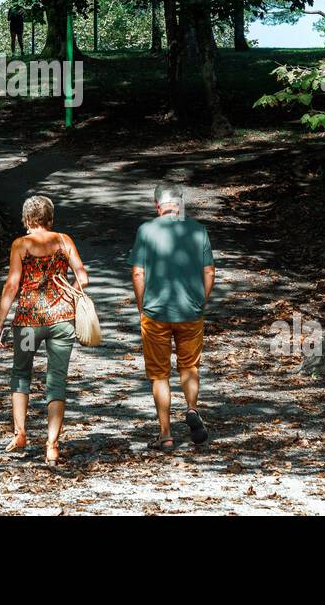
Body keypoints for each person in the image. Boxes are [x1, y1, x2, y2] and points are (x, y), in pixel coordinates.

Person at [0, 195, 89, 465]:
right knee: (56, 380)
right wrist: (71, 290)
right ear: (50, 218)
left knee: (21, 373)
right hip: (61, 321)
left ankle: (20, 433)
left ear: (26, 219)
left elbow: (12, 286)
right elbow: (83, 277)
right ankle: (52, 445)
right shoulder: (64, 241)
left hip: (27, 326)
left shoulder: (20, 245)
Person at [130, 182, 215, 451]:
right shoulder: (198, 230)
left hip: (156, 313)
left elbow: (138, 273)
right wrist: (201, 300)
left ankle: (166, 434)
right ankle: (191, 409)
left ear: (157, 206)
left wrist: (142, 306)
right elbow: (210, 272)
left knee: (159, 375)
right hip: (190, 311)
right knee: (189, 366)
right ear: (180, 205)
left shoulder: (146, 231)